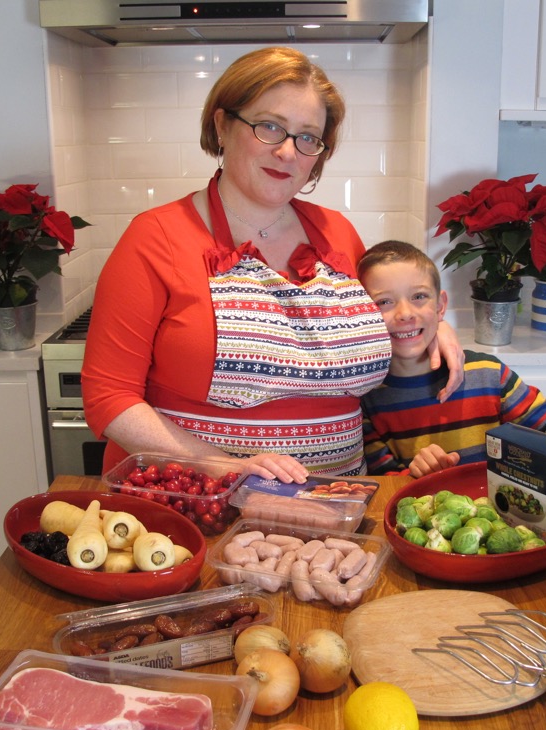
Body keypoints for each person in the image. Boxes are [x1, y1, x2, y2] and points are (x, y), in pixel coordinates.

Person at [81, 47, 464, 483]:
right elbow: (108, 396)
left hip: (336, 505)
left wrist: (436, 326)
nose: (288, 152)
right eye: (269, 127)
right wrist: (228, 468)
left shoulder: (336, 234)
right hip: (197, 501)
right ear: (222, 125)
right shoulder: (156, 237)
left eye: (307, 137)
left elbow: (388, 309)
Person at [357, 240, 546, 481]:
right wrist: (415, 475)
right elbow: (384, 482)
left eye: (419, 296)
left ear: (440, 306)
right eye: (384, 302)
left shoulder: (488, 374)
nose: (405, 314)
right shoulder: (367, 397)